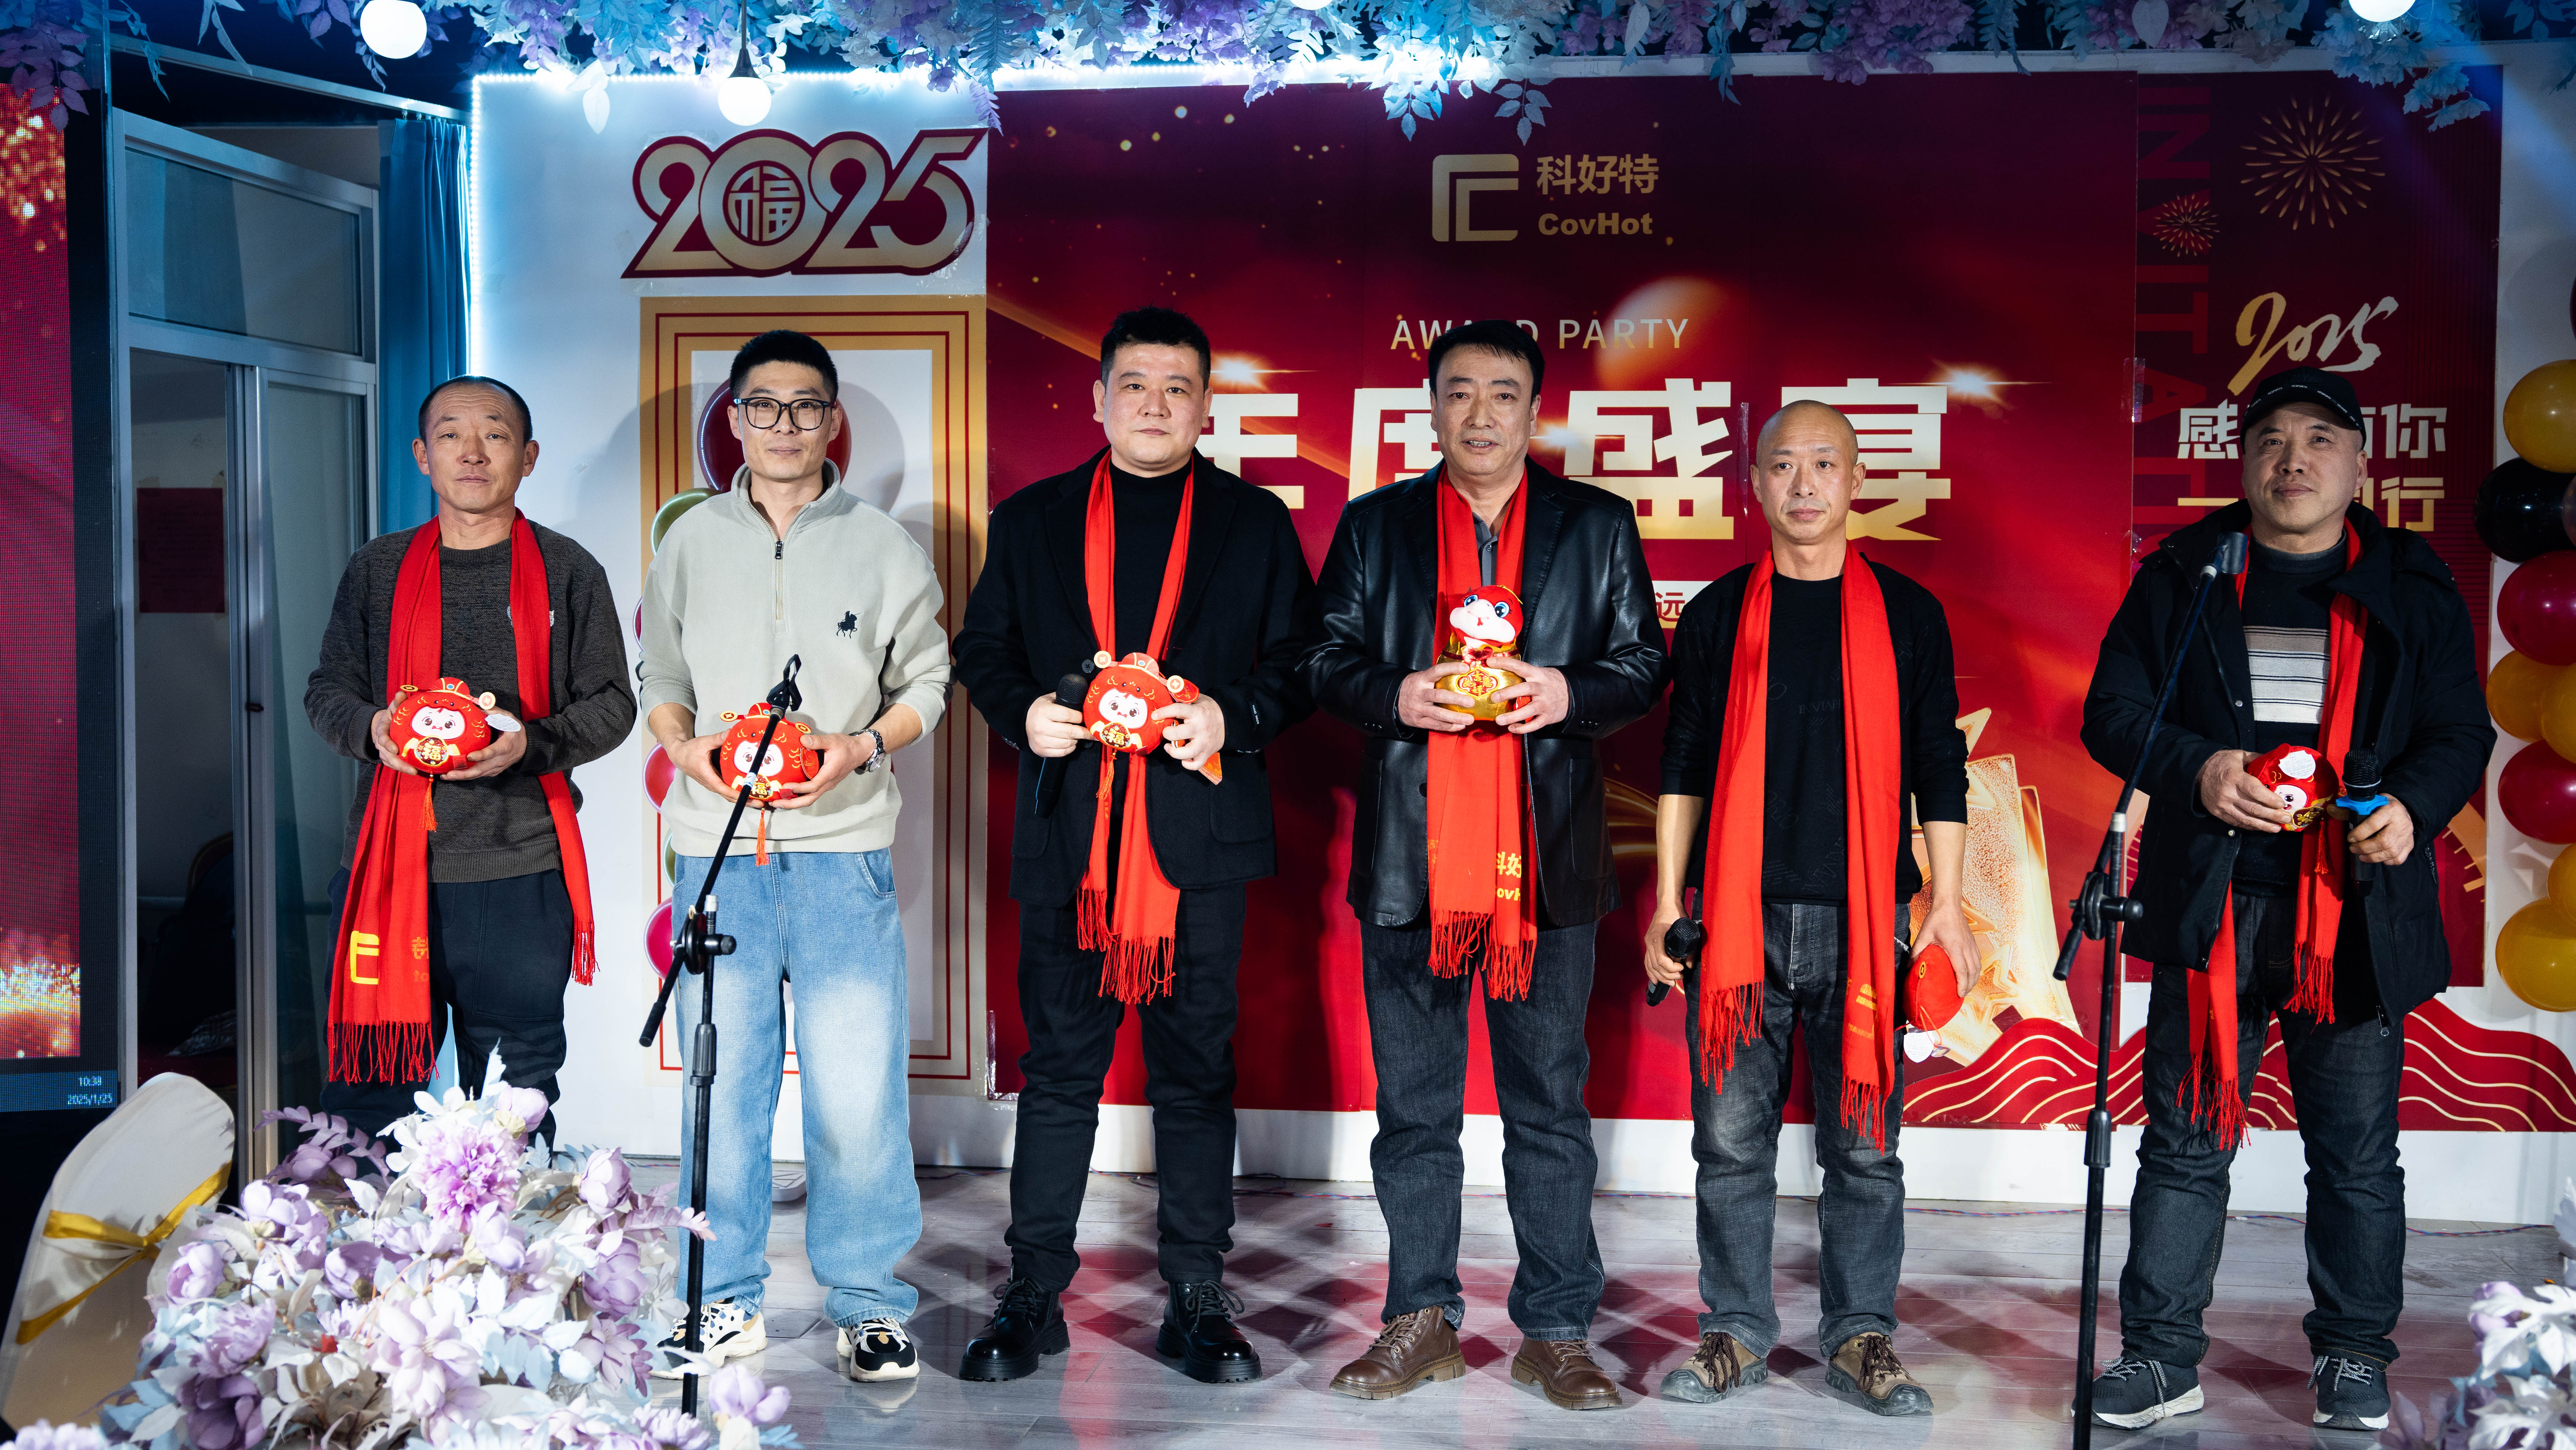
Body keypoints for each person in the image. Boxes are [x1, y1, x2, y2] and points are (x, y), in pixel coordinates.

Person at [2079, 367, 2493, 1433]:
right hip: (2212, 904)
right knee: (2184, 1145)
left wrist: (2413, 805)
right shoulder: (2187, 572)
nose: (2293, 460)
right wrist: (2200, 767)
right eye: (2270, 441)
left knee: (2354, 1157)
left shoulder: (2412, 582)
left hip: (2350, 913)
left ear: (2360, 465)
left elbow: (2461, 732)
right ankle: (2160, 1357)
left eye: (2319, 440)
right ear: (2244, 462)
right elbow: (2113, 712)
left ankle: (2353, 1354)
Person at [1300, 320, 1665, 1411]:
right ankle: (1421, 1319)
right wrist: (1398, 694)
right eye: (1459, 393)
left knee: (1548, 1106)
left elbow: (1644, 664)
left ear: (1535, 410)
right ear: (1431, 408)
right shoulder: (1377, 526)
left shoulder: (1595, 525)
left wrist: (1568, 693)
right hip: (1412, 866)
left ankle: (1556, 1329)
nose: (1481, 414)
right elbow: (1322, 658)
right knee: (1415, 1109)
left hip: (1544, 866)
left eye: (1503, 394)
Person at [951, 306, 1314, 1385]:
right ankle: (1032, 1291)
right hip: (1072, 838)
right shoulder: (1032, 520)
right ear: (1099, 397)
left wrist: (1230, 718)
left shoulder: (1253, 523)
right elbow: (983, 650)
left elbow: (1300, 663)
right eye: (1136, 385)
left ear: (1206, 407)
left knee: (1195, 1074)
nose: (1155, 405)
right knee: (1060, 1071)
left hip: (1196, 840)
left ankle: (1197, 1293)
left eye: (1178, 388)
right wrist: (1024, 713)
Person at [1642, 401, 1973, 1417]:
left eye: (1825, 463)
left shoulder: (1908, 613)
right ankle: (1735, 1333)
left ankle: (1861, 1336)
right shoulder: (1717, 615)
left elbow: (1941, 766)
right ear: (1754, 483)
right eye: (1784, 465)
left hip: (1868, 922)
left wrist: (1949, 906)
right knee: (1729, 1146)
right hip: (1738, 919)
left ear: (1857, 478)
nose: (1804, 484)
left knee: (1864, 1149)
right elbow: (1683, 764)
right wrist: (1665, 903)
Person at [636, 329, 952, 1387]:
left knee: (856, 1090)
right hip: (716, 851)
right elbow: (660, 673)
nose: (785, 425)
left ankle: (868, 1303)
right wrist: (684, 747)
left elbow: (928, 683)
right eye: (763, 406)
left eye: (806, 406)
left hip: (841, 852)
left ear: (832, 420)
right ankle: (723, 1299)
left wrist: (858, 747)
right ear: (733, 419)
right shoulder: (688, 540)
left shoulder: (884, 544)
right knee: (722, 1087)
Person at [305, 375, 634, 1147]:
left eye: (495, 433)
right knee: (368, 1088)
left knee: (518, 1096)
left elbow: (612, 703)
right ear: (423, 455)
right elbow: (328, 691)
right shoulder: (378, 569)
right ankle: (370, 1228)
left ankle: (503, 1229)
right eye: (451, 434)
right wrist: (373, 728)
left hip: (519, 869)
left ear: (529, 457)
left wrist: (532, 746)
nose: (473, 452)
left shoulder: (568, 570)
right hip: (390, 868)